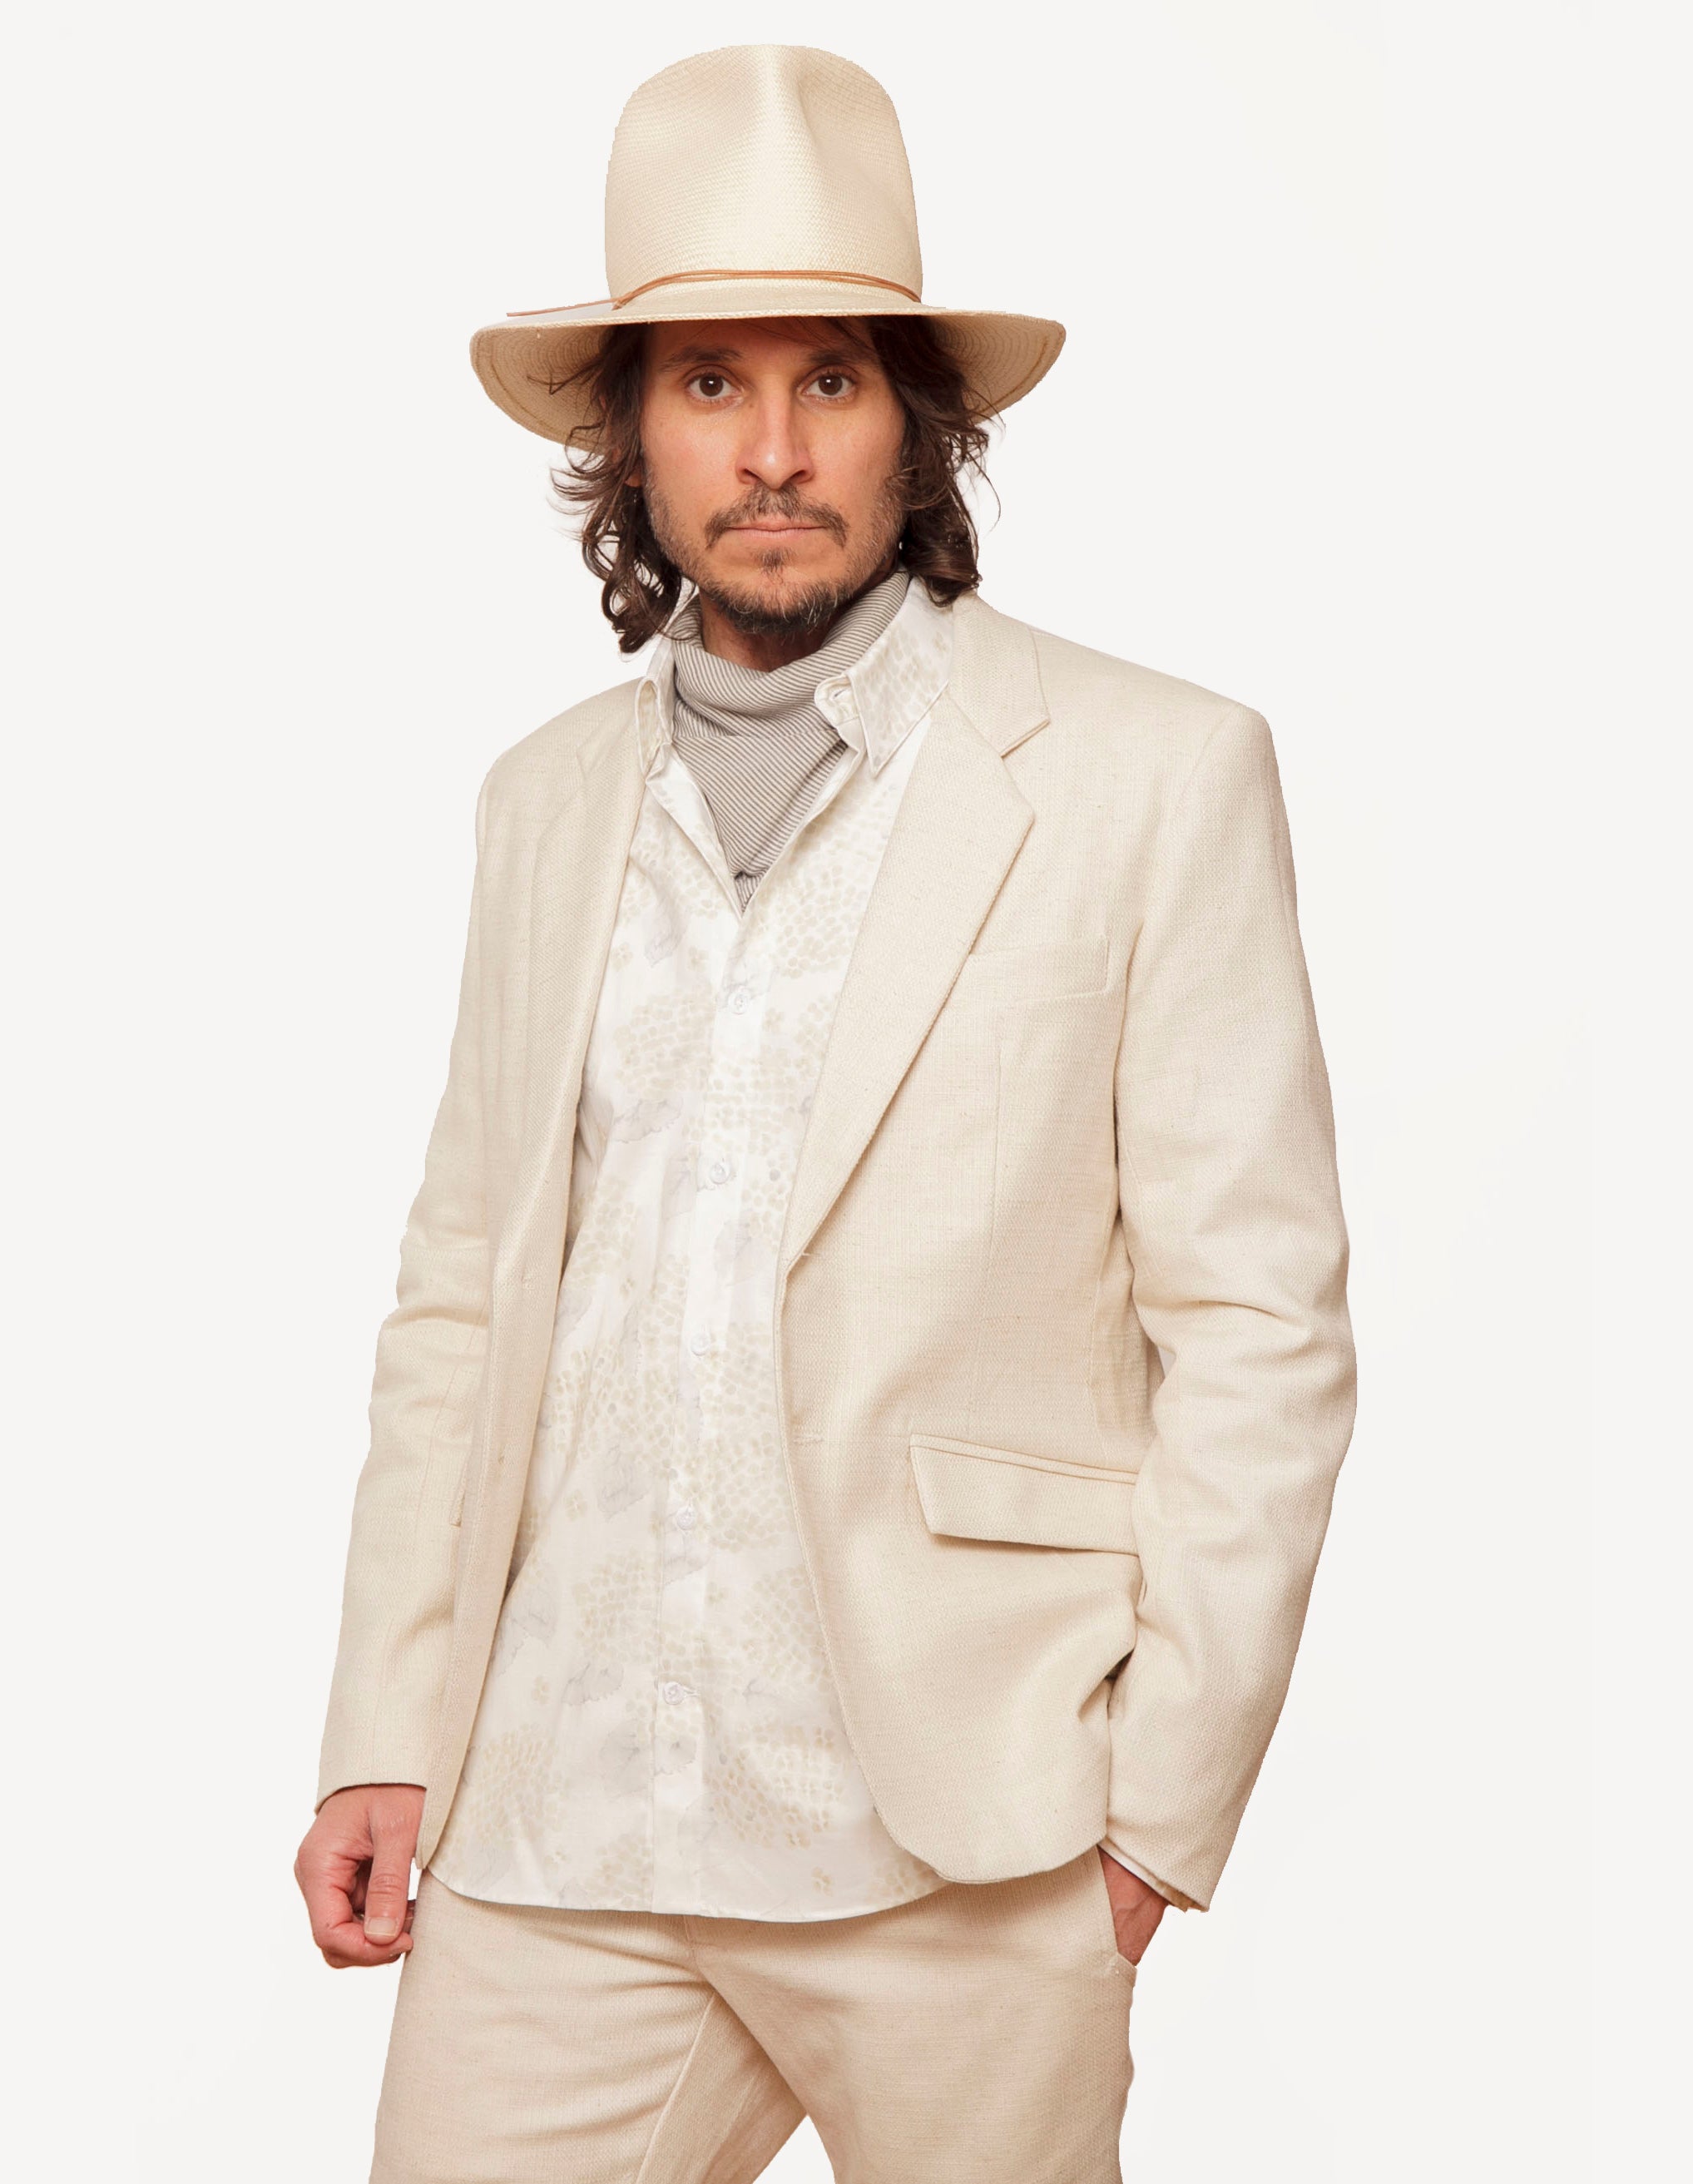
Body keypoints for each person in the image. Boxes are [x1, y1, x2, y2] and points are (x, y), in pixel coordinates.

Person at [295, 42, 1356, 2183]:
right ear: (630, 433)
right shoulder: (542, 803)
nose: (773, 451)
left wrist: (1152, 1815)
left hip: (967, 1832)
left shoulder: (1152, 775)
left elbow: (1262, 1323)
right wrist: (389, 1726)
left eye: (832, 383)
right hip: (565, 1819)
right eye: (710, 383)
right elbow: (464, 1291)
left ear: (916, 423)